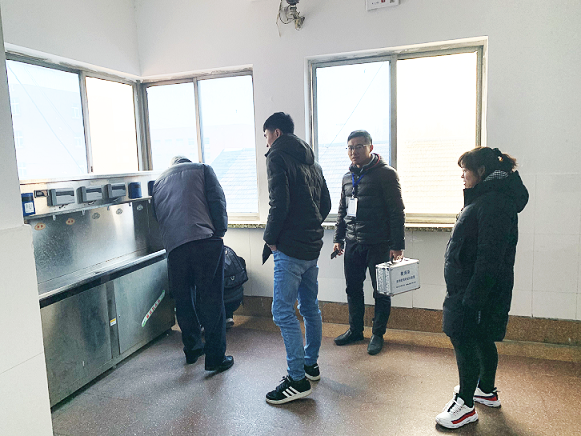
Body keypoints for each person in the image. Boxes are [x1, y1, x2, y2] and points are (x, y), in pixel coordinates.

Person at [435, 147, 528, 429]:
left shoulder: (493, 204)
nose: (462, 176)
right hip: (475, 288)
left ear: (482, 172)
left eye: (465, 170)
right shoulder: (489, 198)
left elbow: (490, 257)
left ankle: (465, 405)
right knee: (483, 337)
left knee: (465, 339)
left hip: (474, 290)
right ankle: (485, 390)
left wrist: (473, 299)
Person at [262, 112, 332, 405]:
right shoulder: (312, 161)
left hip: (290, 248)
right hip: (311, 247)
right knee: (309, 306)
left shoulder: (277, 156)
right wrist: (309, 228)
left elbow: (278, 203)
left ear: (276, 133)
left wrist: (271, 239)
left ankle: (296, 379)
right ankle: (310, 364)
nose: (266, 142)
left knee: (282, 312)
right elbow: (326, 203)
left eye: (266, 135)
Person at [152, 156, 234, 372]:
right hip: (205, 241)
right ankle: (216, 358)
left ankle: (192, 349)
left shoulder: (158, 183)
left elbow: (157, 216)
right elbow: (218, 201)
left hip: (175, 248)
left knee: (184, 300)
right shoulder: (202, 169)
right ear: (187, 162)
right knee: (211, 298)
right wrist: (219, 233)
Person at [332, 130, 405, 355]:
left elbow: (397, 211)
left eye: (359, 146)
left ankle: (378, 334)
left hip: (379, 243)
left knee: (381, 291)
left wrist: (397, 245)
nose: (353, 151)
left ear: (370, 148)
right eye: (350, 147)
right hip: (353, 243)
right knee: (353, 288)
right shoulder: (347, 177)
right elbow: (343, 210)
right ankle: (355, 330)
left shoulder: (386, 174)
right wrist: (338, 238)